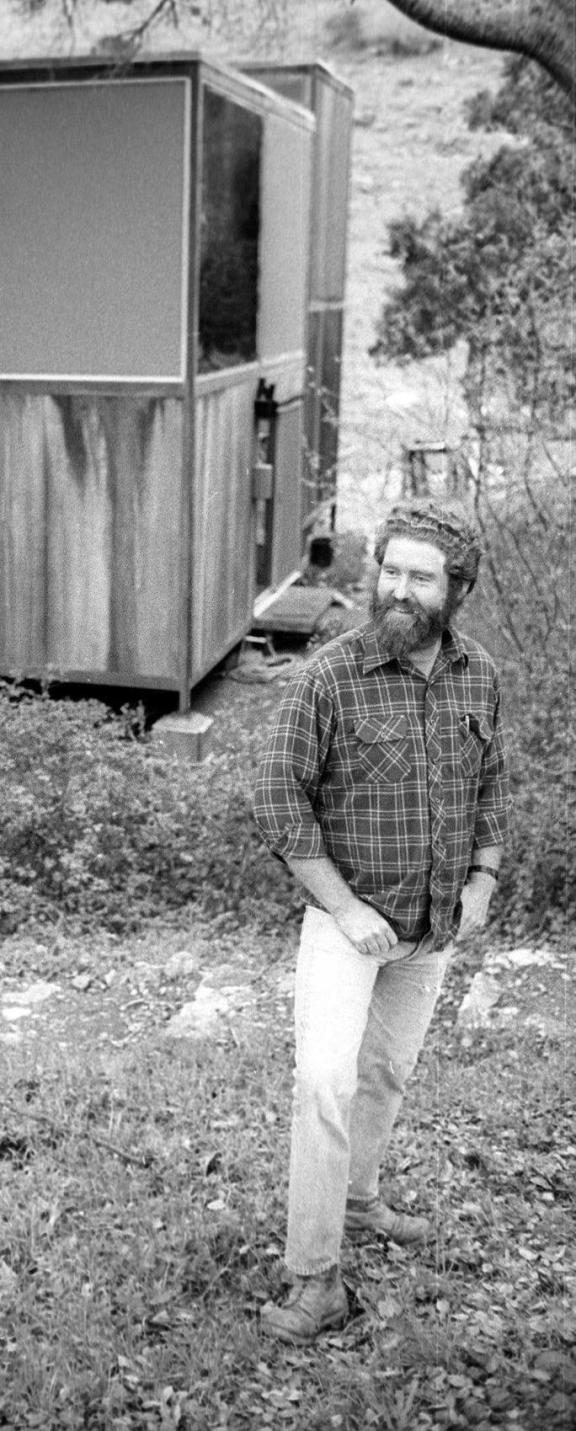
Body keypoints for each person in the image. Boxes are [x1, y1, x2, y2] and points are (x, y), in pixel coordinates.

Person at [252, 498, 510, 1345]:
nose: (399, 589)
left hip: (432, 926)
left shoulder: (480, 675)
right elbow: (279, 803)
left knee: (387, 1074)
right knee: (324, 1081)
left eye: (420, 576)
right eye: (389, 571)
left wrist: (481, 877)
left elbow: (494, 788)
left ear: (456, 587)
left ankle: (360, 1204)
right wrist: (344, 904)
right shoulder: (327, 676)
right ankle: (314, 1276)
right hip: (346, 921)